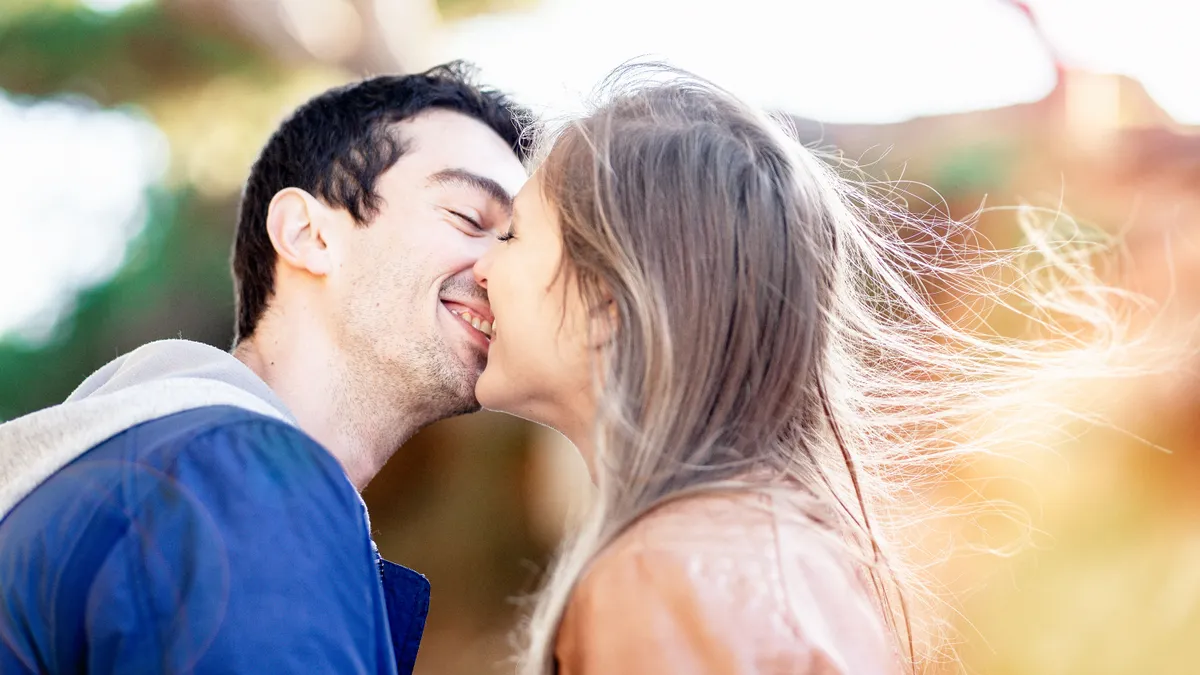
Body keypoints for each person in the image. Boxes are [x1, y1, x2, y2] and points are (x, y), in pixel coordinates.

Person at [474, 65, 1132, 674]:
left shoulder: (663, 574)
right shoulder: (781, 547)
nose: (479, 266)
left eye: (511, 236)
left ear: (608, 303)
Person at [0, 61, 529, 674]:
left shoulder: (165, 467)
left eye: (515, 242)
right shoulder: (237, 469)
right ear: (307, 234)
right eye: (469, 219)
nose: (503, 269)